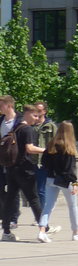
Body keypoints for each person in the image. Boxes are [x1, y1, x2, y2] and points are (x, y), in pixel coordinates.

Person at [1, 105, 48, 242]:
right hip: (25, 169)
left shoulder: (15, 128)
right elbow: (30, 148)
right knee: (33, 199)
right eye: (34, 115)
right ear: (27, 114)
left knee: (10, 199)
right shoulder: (28, 129)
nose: (37, 118)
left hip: (11, 168)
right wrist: (47, 150)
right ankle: (45, 227)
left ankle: (6, 231)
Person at [39, 120, 78, 241]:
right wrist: (75, 183)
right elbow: (69, 169)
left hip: (50, 178)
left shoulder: (51, 145)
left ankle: (42, 230)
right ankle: (76, 232)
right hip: (65, 181)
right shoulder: (68, 147)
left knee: (48, 206)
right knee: (72, 206)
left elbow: (44, 162)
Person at [0, 95, 19, 231]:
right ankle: (3, 216)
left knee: (13, 189)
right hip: (1, 159)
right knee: (0, 189)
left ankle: (13, 218)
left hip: (14, 160)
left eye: (1, 105)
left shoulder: (19, 121)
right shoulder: (1, 120)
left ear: (9, 105)